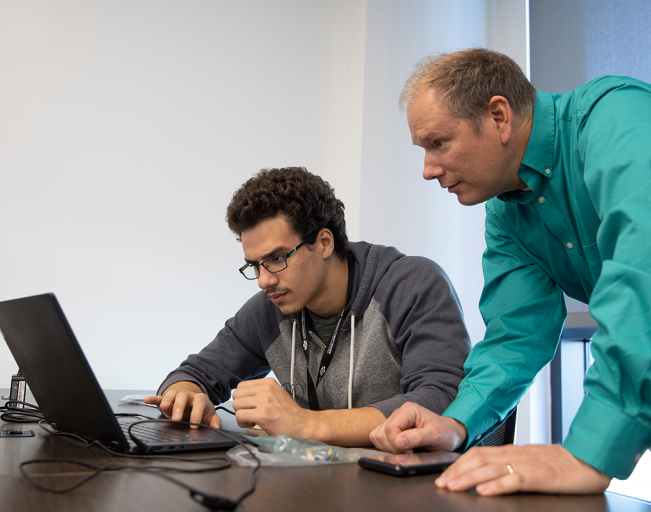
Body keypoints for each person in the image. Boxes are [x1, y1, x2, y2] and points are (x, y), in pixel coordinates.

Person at [370, 48, 651, 495]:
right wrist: (453, 423)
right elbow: (517, 334)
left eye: (438, 142)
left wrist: (586, 453)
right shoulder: (507, 212)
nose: (429, 170)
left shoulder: (617, 118)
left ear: (498, 116)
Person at [144, 167, 471, 446]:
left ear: (324, 242)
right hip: (316, 486)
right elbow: (195, 373)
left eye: (276, 258)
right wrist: (185, 393)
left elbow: (441, 400)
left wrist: (306, 424)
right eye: (255, 265)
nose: (263, 281)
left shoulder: (412, 284)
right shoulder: (271, 307)